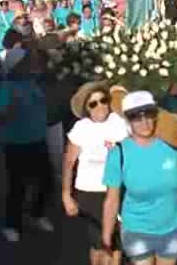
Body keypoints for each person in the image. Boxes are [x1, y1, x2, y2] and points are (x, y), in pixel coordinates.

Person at [102, 91, 177, 265]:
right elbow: (111, 201)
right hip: (137, 230)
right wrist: (106, 239)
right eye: (136, 117)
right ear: (127, 120)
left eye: (149, 114)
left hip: (172, 228)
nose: (144, 122)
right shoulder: (119, 153)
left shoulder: (171, 145)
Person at [62, 82, 128, 265]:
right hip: (89, 191)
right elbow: (68, 163)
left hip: (117, 189)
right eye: (93, 103)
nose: (100, 106)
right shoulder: (81, 128)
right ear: (86, 108)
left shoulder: (120, 123)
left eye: (103, 100)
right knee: (99, 242)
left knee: (116, 241)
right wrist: (66, 195)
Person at [0, 48, 55, 242]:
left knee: (46, 180)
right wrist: (11, 110)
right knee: (17, 185)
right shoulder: (7, 86)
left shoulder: (32, 81)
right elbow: (2, 116)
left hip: (37, 139)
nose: (30, 64)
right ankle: (11, 224)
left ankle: (36, 214)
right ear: (16, 65)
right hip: (16, 143)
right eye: (25, 61)